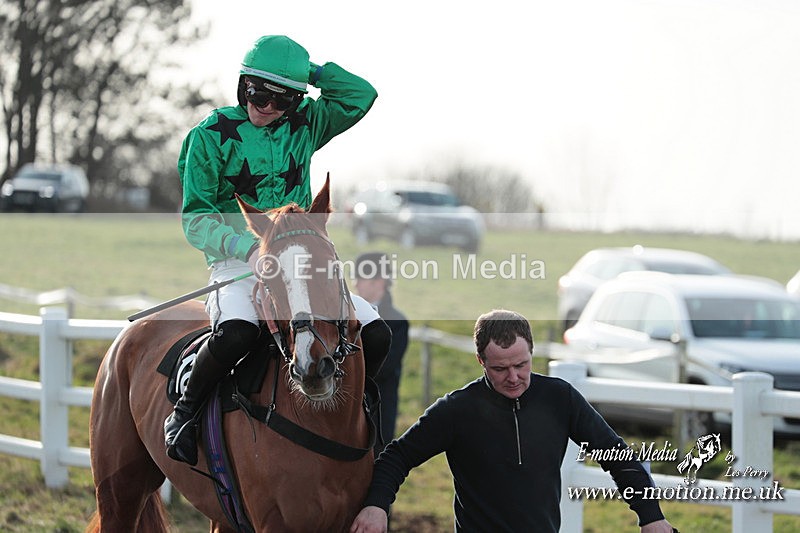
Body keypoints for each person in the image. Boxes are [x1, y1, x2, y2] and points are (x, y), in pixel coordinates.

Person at [166, 35, 389, 466]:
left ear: (295, 101)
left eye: (281, 99)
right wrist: (246, 248)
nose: (267, 106)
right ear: (242, 85)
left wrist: (307, 72)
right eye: (258, 92)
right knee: (237, 333)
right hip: (238, 260)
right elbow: (196, 216)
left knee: (377, 332)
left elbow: (362, 95)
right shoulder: (210, 136)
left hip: (299, 260)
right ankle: (185, 412)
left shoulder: (305, 123)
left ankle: (359, 408)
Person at [350, 309, 675, 533]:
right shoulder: (456, 410)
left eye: (522, 364)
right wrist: (376, 506)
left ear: (532, 351)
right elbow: (396, 456)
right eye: (500, 369)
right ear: (481, 361)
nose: (514, 377)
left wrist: (652, 517)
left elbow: (616, 454)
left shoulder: (559, 398)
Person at [353, 252, 410, 449]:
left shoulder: (397, 322)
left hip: (378, 411)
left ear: (379, 281)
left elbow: (384, 367)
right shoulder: (346, 316)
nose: (356, 284)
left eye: (361, 278)